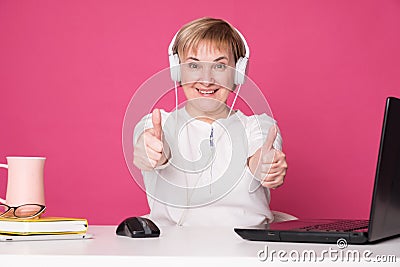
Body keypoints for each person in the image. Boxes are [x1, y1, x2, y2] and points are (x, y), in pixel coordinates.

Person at [133, 17, 288, 227]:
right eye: (194, 65)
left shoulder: (259, 126)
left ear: (238, 72)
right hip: (172, 248)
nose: (206, 80)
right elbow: (151, 145)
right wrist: (150, 152)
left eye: (220, 66)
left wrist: (267, 166)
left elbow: (261, 155)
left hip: (247, 248)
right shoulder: (156, 124)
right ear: (177, 70)